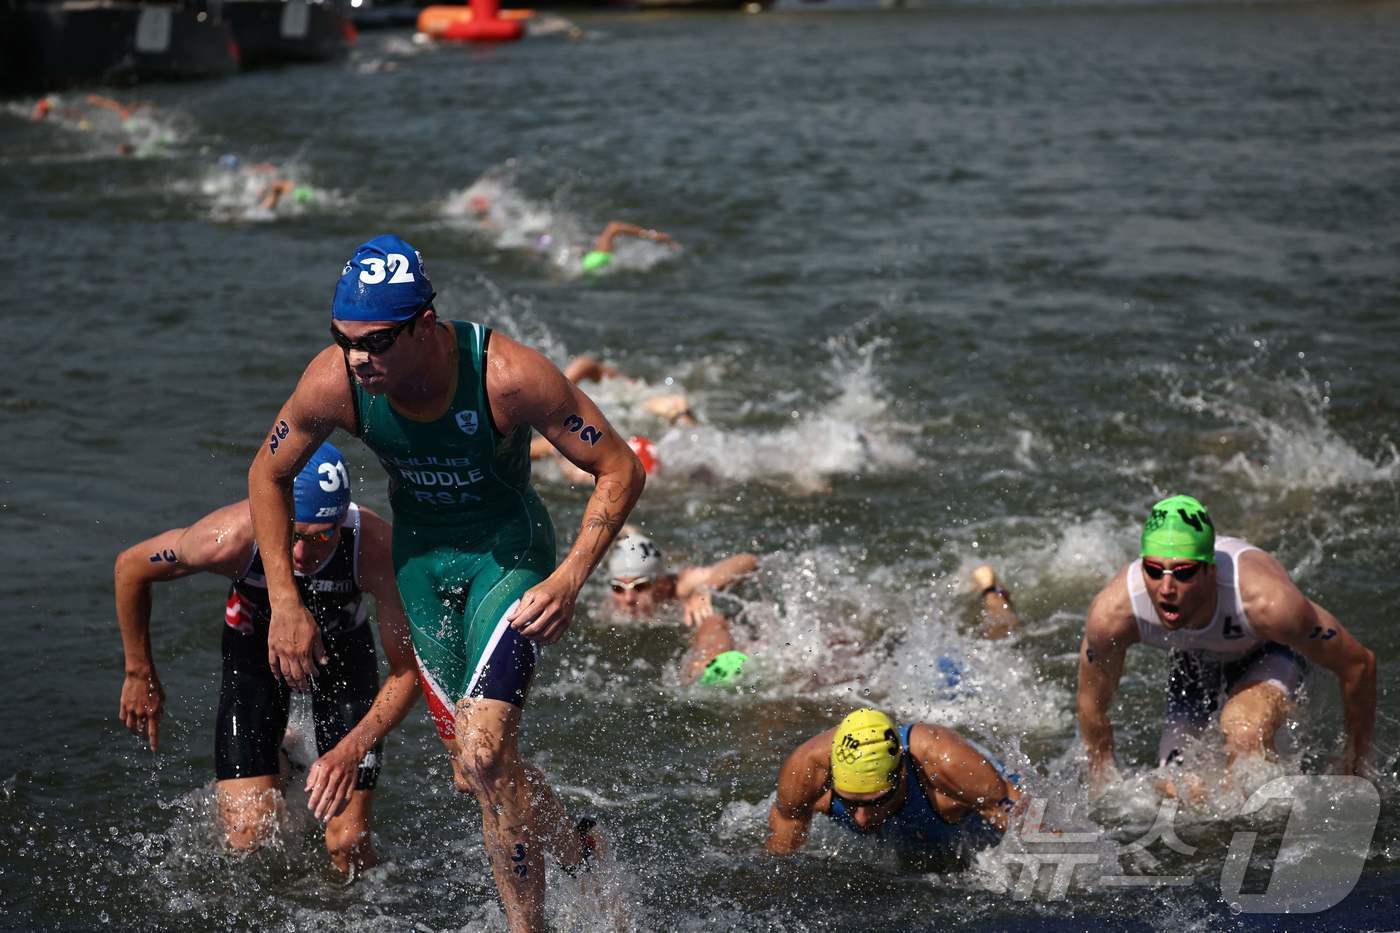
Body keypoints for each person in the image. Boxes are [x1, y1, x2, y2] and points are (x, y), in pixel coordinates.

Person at [247, 234, 644, 933]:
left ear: (424, 324)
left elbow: (619, 465)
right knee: (474, 767)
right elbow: (267, 472)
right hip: (423, 564)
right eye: (343, 340)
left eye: (375, 342)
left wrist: (571, 578)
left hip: (506, 553)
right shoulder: (334, 382)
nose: (358, 359)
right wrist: (284, 600)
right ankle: (581, 850)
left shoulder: (507, 376)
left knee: (485, 751)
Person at [113, 443, 419, 874]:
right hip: (254, 654)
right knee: (248, 838)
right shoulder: (229, 539)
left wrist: (352, 748)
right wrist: (139, 671)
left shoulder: (373, 547)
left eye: (322, 537)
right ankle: (284, 760)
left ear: (342, 520)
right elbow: (131, 567)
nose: (303, 554)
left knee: (348, 845)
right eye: (294, 534)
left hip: (342, 656)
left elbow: (409, 671)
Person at [1076, 494, 1377, 796]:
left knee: (1244, 730)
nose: (1166, 589)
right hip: (1194, 665)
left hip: (1269, 651)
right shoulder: (1113, 614)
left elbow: (1359, 664)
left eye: (1183, 572)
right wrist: (1101, 785)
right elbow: (1092, 706)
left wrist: (1355, 761)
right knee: (1180, 791)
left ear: (1211, 570)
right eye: (1154, 570)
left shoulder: (1268, 603)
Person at [765, 708, 1022, 866]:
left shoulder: (948, 766)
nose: (861, 818)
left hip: (975, 824)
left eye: (876, 801)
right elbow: (781, 857)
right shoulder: (806, 771)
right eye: (849, 802)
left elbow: (1034, 831)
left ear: (902, 774)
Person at [580, 221, 676, 274]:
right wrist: (652, 235)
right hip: (597, 259)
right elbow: (614, 227)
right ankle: (656, 236)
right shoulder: (599, 253)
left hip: (590, 264)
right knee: (613, 227)